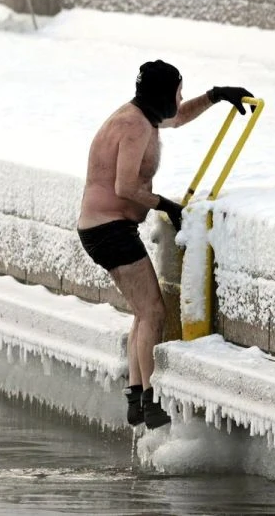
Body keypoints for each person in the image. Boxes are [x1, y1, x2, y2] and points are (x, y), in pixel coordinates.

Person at [76, 59, 253, 429]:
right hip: (109, 230)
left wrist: (216, 96)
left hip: (108, 228)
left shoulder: (143, 117)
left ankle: (137, 397)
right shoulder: (133, 126)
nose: (181, 98)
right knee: (153, 313)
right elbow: (124, 188)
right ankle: (150, 399)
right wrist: (166, 206)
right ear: (162, 93)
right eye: (178, 91)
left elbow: (178, 117)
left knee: (143, 313)